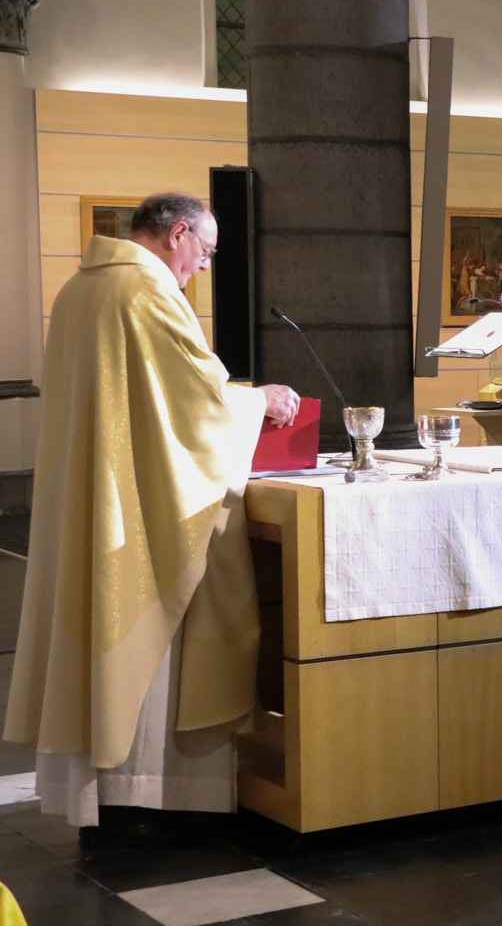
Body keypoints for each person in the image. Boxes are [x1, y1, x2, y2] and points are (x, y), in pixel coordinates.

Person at [5, 192, 303, 833]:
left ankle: (99, 797)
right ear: (178, 234)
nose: (204, 266)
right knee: (154, 626)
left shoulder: (81, 289)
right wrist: (262, 401)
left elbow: (156, 396)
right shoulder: (146, 291)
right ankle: (154, 794)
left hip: (99, 492)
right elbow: (198, 402)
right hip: (142, 507)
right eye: (206, 251)